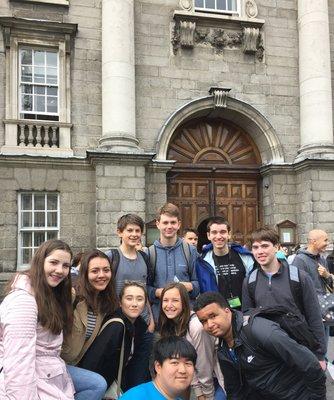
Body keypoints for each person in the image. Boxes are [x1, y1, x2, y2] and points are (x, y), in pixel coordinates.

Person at [194, 292, 327, 400]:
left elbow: (310, 364)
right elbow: (234, 390)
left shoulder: (259, 330)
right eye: (203, 321)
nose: (209, 325)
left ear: (227, 311)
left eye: (213, 316)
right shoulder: (223, 350)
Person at [0, 239, 88, 400]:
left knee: (95, 384)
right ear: (40, 262)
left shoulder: (51, 294)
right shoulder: (23, 302)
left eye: (66, 266)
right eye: (53, 262)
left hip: (48, 374)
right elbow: (19, 361)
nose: (59, 270)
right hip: (29, 382)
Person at [242, 227, 327, 368]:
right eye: (255, 247)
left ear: (276, 247)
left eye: (265, 246)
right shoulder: (250, 281)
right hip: (268, 353)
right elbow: (247, 319)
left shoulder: (299, 278)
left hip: (299, 349)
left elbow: (314, 317)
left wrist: (319, 355)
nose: (260, 251)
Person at [105, 213, 154, 388]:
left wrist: (151, 320)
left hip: (143, 322)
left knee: (139, 371)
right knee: (118, 370)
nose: (134, 234)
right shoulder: (111, 257)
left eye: (138, 231)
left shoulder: (144, 258)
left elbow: (145, 290)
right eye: (129, 230)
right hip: (119, 321)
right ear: (120, 233)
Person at [77, 281, 148, 391]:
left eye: (139, 299)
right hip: (99, 385)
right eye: (129, 298)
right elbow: (94, 362)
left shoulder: (140, 325)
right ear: (120, 302)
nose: (135, 304)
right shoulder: (116, 326)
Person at [159, 283, 225, 400]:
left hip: (216, 378)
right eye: (165, 300)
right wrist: (198, 391)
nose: (169, 305)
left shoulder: (196, 326)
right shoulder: (170, 325)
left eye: (175, 300)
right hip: (195, 379)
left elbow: (204, 363)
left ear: (184, 303)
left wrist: (207, 395)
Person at [147, 203, 199, 323]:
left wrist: (190, 286)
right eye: (165, 222)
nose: (169, 226)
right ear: (157, 224)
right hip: (159, 318)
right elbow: (145, 287)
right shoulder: (150, 253)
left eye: (173, 222)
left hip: (186, 319)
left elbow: (199, 283)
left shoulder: (190, 251)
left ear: (179, 224)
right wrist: (156, 292)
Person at [195, 217, 255, 308]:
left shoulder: (245, 257)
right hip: (217, 313)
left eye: (222, 232)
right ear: (208, 235)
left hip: (244, 311)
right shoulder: (202, 262)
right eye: (214, 232)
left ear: (229, 234)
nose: (219, 236)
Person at [120, 336, 196, 400]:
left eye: (188, 363)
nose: (182, 370)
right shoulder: (135, 397)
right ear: (158, 366)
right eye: (174, 363)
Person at [293, 229, 332, 294]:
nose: (327, 243)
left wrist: (327, 275)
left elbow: (329, 284)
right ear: (314, 241)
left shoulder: (322, 259)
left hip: (323, 302)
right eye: (325, 240)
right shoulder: (298, 260)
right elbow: (294, 286)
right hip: (309, 303)